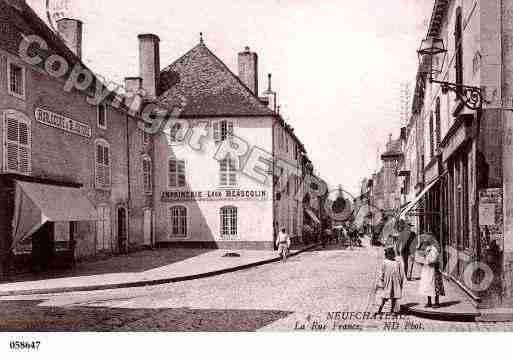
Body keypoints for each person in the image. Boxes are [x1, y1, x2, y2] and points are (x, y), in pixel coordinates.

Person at [418, 233, 445, 308]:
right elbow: (423, 256)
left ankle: (437, 302)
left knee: (435, 285)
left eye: (427, 239)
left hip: (433, 269)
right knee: (427, 285)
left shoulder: (434, 248)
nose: (425, 240)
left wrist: (427, 260)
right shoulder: (427, 248)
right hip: (427, 269)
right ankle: (429, 301)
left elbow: (434, 258)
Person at [377, 247, 405, 314]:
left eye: (390, 254)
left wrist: (401, 281)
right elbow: (382, 272)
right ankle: (379, 310)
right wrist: (381, 280)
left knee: (394, 297)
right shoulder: (385, 262)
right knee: (384, 297)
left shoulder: (397, 263)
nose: (387, 256)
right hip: (387, 282)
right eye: (387, 255)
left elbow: (401, 273)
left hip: (395, 282)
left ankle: (392, 311)